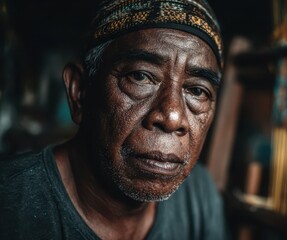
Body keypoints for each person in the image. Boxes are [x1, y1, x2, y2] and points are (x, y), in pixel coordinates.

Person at [0, 0, 226, 239]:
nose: (172, 117)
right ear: (79, 92)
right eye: (140, 76)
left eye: (198, 91)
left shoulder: (198, 195)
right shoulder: (8, 202)